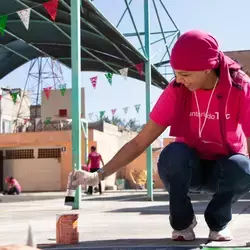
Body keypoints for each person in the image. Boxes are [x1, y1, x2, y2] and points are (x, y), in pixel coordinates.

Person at [70, 30, 250, 242]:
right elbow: (139, 142)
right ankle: (183, 224)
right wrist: (98, 175)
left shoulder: (239, 86)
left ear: (207, 67)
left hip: (223, 170)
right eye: (176, 73)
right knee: (171, 155)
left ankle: (218, 222)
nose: (179, 80)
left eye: (185, 74)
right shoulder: (177, 89)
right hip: (189, 168)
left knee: (242, 167)